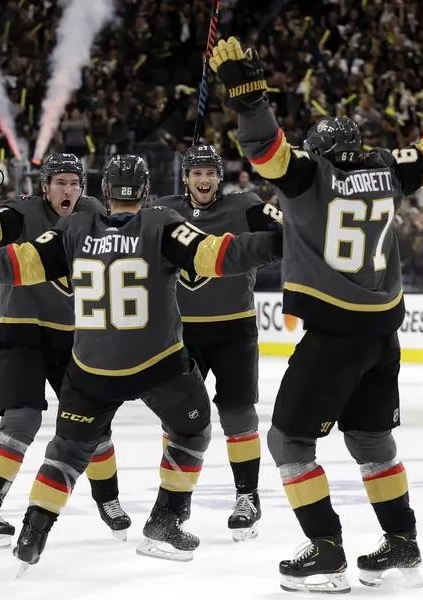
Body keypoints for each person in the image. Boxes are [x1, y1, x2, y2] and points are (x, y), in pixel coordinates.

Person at [210, 36, 423, 592]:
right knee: (371, 442)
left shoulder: (309, 174)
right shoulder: (388, 169)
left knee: (288, 443)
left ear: (318, 153)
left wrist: (249, 99)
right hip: (381, 335)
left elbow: (266, 150)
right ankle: (403, 541)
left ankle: (325, 550)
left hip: (333, 335)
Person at [0, 154, 281, 570]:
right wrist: (280, 242)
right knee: (193, 427)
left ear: (102, 192)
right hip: (157, 362)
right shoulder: (161, 223)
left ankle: (34, 531)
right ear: (146, 193)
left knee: (67, 450)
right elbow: (218, 257)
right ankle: (166, 520)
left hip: (91, 367)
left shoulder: (76, 228)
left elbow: (16, 265)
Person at [0, 153, 131, 547]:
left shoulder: (93, 212)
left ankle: (110, 500)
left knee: (93, 424)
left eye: (73, 183)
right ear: (45, 186)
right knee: (22, 421)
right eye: (59, 183)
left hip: (75, 335)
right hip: (24, 329)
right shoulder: (23, 211)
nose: (67, 190)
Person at [153, 144, 282, 541]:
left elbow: (283, 230)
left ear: (218, 177)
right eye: (197, 173)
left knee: (238, 417)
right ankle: (175, 502)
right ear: (186, 177)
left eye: (210, 173)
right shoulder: (161, 210)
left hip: (234, 332)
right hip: (179, 334)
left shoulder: (244, 205)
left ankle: (248, 498)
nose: (204, 180)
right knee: (178, 422)